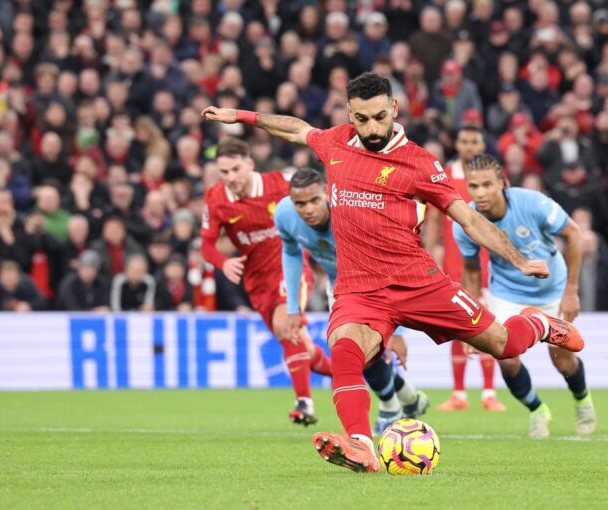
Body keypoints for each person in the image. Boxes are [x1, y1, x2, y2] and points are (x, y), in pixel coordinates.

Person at [202, 72, 584, 474]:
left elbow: (468, 219)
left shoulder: (419, 163)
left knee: (504, 345)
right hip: (359, 290)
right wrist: (241, 116)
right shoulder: (335, 143)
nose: (372, 128)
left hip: (420, 282)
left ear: (394, 110)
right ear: (350, 113)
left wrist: (519, 259)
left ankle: (538, 324)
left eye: (379, 117)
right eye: (362, 119)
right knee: (346, 350)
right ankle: (361, 444)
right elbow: (297, 128)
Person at [274, 167, 429, 435]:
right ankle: (406, 400)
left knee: (367, 350)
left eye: (314, 201)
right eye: (300, 203)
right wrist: (293, 308)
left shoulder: (352, 212)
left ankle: (392, 408)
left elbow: (391, 259)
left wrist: (398, 329)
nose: (308, 209)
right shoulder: (284, 214)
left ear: (326, 193)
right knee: (356, 351)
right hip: (342, 286)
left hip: (378, 279)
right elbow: (291, 254)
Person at [454, 155, 597, 438]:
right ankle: (537, 410)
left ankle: (582, 401)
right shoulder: (464, 222)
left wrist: (571, 291)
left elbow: (574, 233)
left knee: (563, 361)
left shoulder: (532, 203)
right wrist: (468, 321)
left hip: (553, 291)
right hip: (507, 294)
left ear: (502, 184)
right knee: (506, 357)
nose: (480, 193)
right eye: (473, 186)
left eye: (486, 185)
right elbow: (470, 271)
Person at [198, 137, 332, 426]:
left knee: (288, 324)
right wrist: (224, 262)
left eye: (235, 169)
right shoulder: (215, 199)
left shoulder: (280, 182)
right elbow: (206, 247)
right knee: (301, 347)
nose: (230, 178)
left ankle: (304, 402)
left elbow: (321, 193)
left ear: (250, 164)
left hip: (291, 266)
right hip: (257, 282)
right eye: (224, 172)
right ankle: (352, 375)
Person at [423, 125, 506, 413]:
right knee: (459, 327)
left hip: (486, 263)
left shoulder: (490, 177)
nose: (469, 145)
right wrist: (432, 250)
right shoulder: (443, 175)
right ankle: (459, 393)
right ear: (457, 144)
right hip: (454, 263)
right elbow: (434, 218)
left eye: (475, 141)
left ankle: (488, 393)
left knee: (487, 325)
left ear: (482, 144)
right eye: (465, 140)